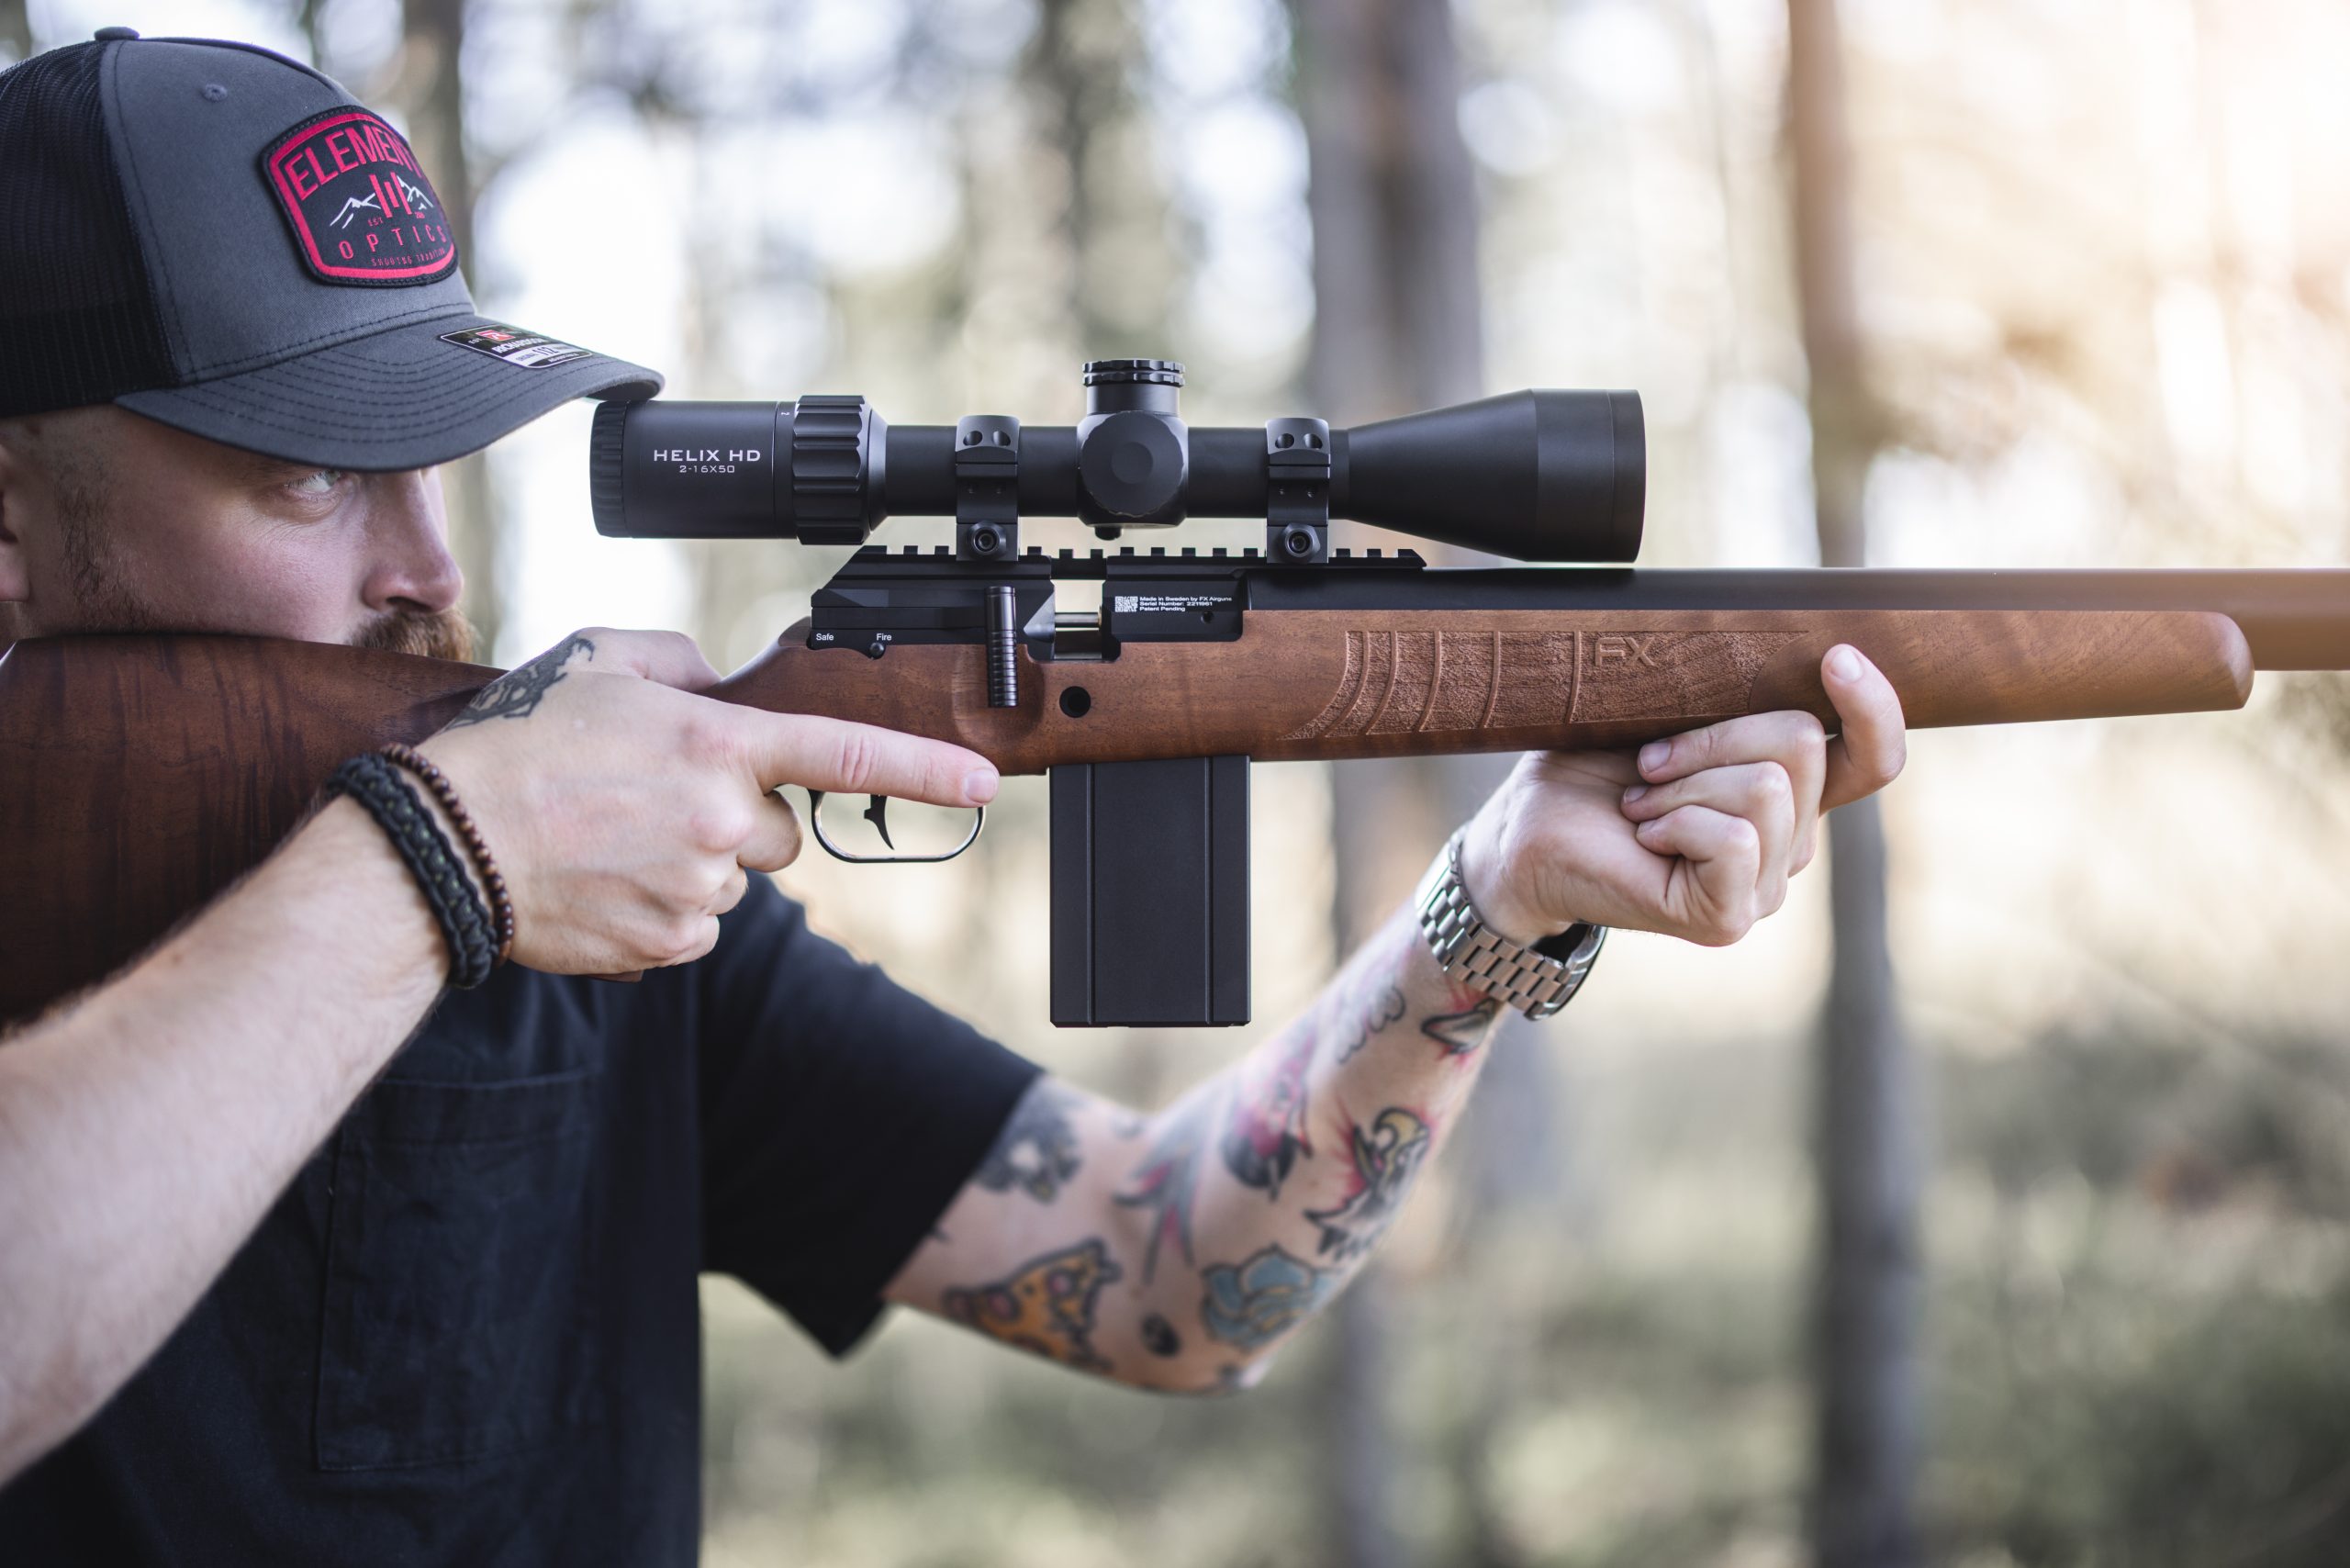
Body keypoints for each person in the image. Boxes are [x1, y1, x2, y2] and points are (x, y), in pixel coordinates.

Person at [0, 29, 1908, 1565]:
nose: (429, 565)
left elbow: (1171, 1275)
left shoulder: (630, 911)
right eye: (309, 475)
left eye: (439, 450)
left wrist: (1491, 909)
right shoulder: (490, 836)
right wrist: (444, 857)